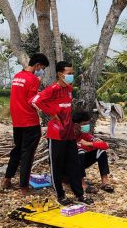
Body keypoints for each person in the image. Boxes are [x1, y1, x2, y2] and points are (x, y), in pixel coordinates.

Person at [32, 61, 91, 205]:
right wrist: (51, 113)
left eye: (72, 73)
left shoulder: (69, 89)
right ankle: (60, 194)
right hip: (56, 134)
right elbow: (35, 101)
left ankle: (79, 194)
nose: (72, 76)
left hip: (69, 133)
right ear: (60, 74)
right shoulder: (53, 88)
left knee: (74, 164)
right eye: (69, 73)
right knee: (56, 165)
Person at [2, 53, 50, 194]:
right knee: (27, 154)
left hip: (17, 121)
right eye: (43, 67)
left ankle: (6, 179)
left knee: (17, 150)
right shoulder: (33, 79)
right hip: (29, 121)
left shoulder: (17, 76)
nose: (42, 70)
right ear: (38, 65)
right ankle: (24, 187)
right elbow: (32, 100)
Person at [72, 111, 114, 193]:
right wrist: (83, 146)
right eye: (84, 124)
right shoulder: (68, 136)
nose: (87, 126)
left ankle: (104, 182)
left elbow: (105, 145)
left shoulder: (85, 135)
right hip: (67, 168)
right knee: (79, 151)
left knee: (100, 151)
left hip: (80, 164)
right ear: (76, 125)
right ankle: (82, 184)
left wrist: (89, 143)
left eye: (88, 123)